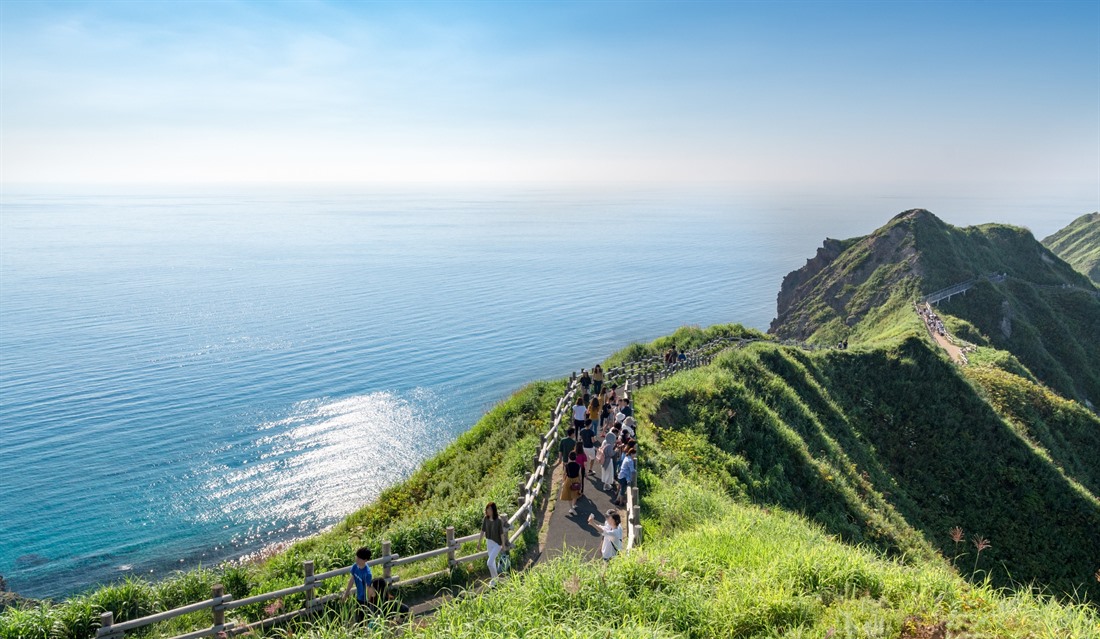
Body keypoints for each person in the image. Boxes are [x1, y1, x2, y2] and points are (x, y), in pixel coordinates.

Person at [477, 502, 509, 587]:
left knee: (489, 563)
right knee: (492, 562)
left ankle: (495, 579)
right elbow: (482, 531)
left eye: (490, 509)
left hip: (497, 544)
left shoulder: (498, 520)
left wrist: (503, 545)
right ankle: (495, 580)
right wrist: (479, 542)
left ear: (494, 510)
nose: (488, 510)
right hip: (489, 542)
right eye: (487, 509)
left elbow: (501, 534)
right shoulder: (485, 519)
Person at [341, 547, 377, 623]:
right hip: (358, 598)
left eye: (359, 558)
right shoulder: (355, 566)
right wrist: (346, 594)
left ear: (365, 560)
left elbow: (369, 589)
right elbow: (352, 579)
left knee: (363, 620)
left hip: (365, 600)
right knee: (359, 618)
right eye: (356, 556)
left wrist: (370, 603)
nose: (356, 559)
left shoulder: (367, 574)